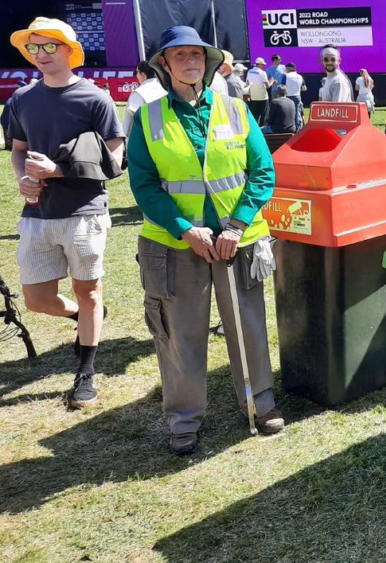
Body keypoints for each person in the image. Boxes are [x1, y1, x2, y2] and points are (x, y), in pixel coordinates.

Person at [127, 25, 283, 456]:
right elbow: (143, 184)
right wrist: (184, 227)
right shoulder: (148, 117)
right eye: (180, 56)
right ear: (164, 64)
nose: (191, 61)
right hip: (175, 246)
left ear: (209, 62)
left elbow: (262, 172)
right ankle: (183, 419)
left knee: (248, 327)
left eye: (197, 54)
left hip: (238, 242)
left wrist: (235, 226)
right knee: (180, 335)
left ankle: (260, 404)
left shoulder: (236, 109)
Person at [5, 17, 125, 408]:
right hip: (37, 213)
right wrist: (23, 178)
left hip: (84, 210)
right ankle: (86, 318)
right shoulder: (22, 98)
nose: (40, 55)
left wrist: (59, 170)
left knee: (86, 289)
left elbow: (116, 158)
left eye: (49, 46)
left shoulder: (95, 98)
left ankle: (86, 372)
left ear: (69, 51)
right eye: (33, 48)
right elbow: (19, 149)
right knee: (37, 299)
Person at [122, 60, 167, 136]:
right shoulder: (166, 89)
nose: (136, 76)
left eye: (136, 73)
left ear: (143, 74)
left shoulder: (139, 92)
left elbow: (128, 122)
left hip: (145, 137)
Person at [245, 57, 270, 125]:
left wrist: (248, 94)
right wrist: (272, 81)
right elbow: (267, 86)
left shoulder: (249, 72)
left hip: (253, 97)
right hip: (263, 97)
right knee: (263, 116)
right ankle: (262, 130)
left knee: (254, 115)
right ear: (260, 65)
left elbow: (247, 83)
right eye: (263, 65)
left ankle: (255, 129)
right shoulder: (263, 73)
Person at [285, 63, 306, 131]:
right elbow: (304, 88)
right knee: (297, 113)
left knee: (288, 113)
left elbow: (282, 86)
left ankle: (288, 128)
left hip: (288, 97)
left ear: (288, 68)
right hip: (297, 96)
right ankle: (298, 129)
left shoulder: (286, 76)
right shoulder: (300, 76)